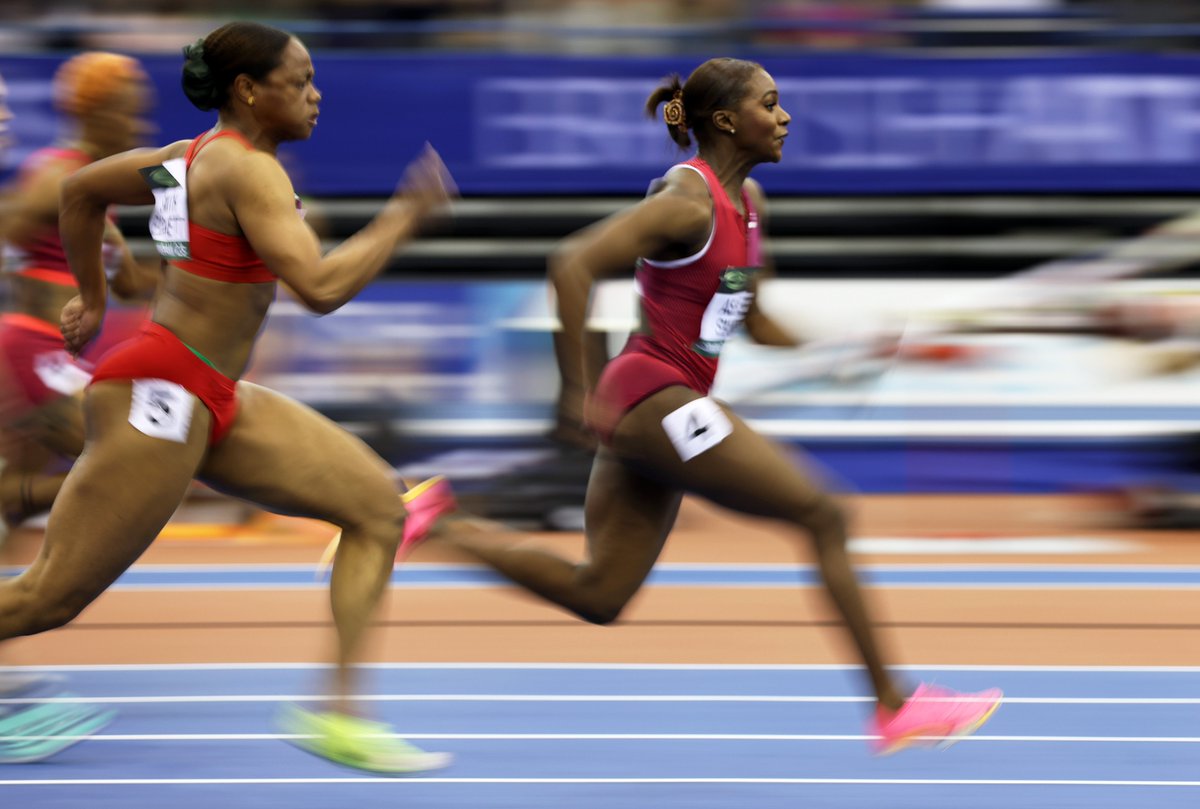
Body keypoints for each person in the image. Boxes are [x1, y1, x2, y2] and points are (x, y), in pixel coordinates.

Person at [445, 57, 1002, 754]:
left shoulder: (751, 206)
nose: (786, 116)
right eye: (771, 104)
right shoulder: (689, 201)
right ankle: (894, 704)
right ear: (728, 121)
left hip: (667, 404)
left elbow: (757, 321)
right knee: (823, 511)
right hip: (652, 395)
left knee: (600, 593)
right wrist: (574, 389)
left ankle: (443, 523)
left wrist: (850, 345)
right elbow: (572, 262)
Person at [0, 21, 456, 772]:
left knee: (378, 504)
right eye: (300, 80)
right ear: (249, 90)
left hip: (210, 391)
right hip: (161, 390)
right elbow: (321, 287)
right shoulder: (248, 171)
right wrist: (404, 215)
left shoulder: (182, 160)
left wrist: (90, 294)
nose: (316, 95)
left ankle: (339, 716)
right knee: (49, 598)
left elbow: (81, 192)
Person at [0, 52, 162, 541]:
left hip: (57, 357)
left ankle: (13, 501)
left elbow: (133, 284)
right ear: (96, 114)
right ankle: (13, 498)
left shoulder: (95, 199)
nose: (138, 124)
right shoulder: (58, 176)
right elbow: (9, 226)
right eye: (129, 111)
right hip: (32, 350)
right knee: (124, 467)